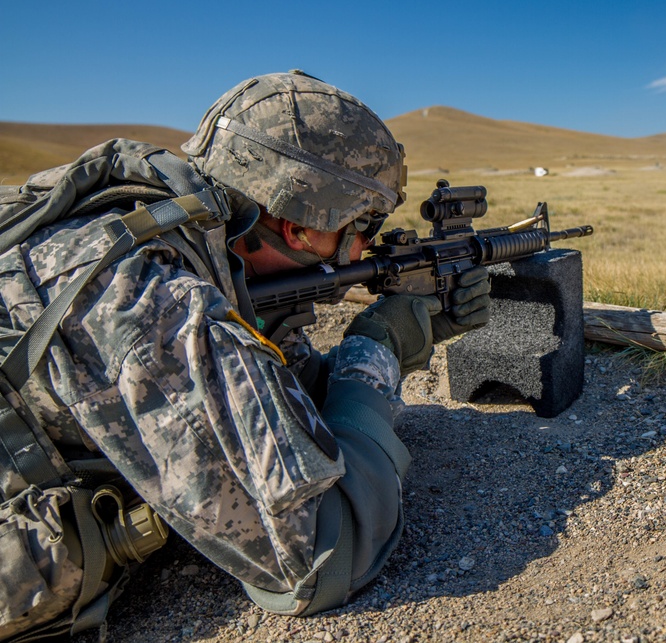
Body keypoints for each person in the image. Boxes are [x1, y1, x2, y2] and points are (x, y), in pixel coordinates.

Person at [0, 70, 490, 636]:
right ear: (300, 225)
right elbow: (323, 557)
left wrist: (410, 336)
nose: (365, 248)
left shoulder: (183, 237)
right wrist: (375, 351)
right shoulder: (153, 302)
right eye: (363, 225)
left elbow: (285, 403)